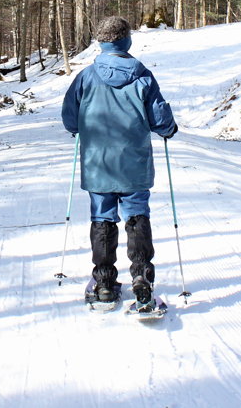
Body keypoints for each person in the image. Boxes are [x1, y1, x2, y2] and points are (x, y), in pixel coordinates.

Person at [61, 16, 177, 306]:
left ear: (101, 42)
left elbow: (69, 118)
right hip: (134, 163)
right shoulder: (142, 75)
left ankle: (104, 282)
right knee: (137, 214)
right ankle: (142, 277)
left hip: (98, 164)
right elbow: (159, 116)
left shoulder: (86, 77)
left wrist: (78, 127)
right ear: (126, 40)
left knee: (102, 216)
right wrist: (168, 129)